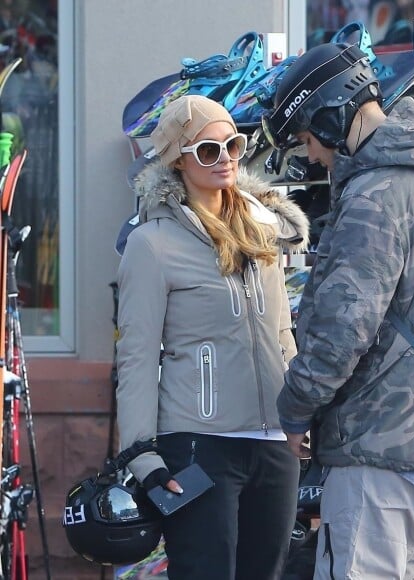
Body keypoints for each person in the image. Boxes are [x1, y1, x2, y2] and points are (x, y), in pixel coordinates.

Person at [262, 42, 414, 580]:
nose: (311, 157)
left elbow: (342, 328)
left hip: (377, 451)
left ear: (333, 115)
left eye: (309, 138)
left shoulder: (377, 195)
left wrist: (294, 412)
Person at [115, 94, 310, 580]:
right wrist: (142, 455)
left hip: (273, 443)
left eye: (233, 145)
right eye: (208, 150)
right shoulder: (151, 244)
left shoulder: (262, 230)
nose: (224, 159)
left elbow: (282, 333)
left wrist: (302, 416)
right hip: (199, 445)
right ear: (179, 159)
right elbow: (137, 356)